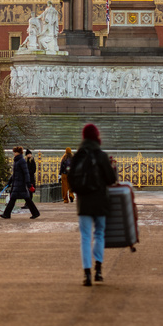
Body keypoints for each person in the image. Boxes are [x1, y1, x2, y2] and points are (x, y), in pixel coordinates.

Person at [68, 123, 117, 287]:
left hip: (84, 203)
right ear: (97, 136)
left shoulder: (78, 156)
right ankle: (98, 270)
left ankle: (87, 273)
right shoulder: (101, 155)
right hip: (100, 201)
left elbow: (71, 180)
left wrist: (80, 191)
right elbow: (111, 180)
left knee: (85, 237)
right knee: (99, 234)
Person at [0, 146, 41, 220]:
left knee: (24, 199)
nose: (14, 154)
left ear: (18, 153)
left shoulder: (21, 161)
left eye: (15, 152)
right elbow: (15, 173)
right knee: (17, 199)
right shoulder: (18, 161)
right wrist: (10, 181)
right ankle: (7, 214)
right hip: (17, 183)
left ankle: (7, 214)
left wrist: (28, 184)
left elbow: (26, 173)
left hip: (20, 184)